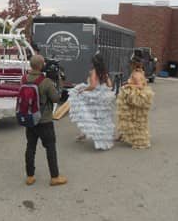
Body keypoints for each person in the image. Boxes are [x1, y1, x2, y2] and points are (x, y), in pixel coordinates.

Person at [23, 55, 67, 186]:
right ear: (42, 66)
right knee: (50, 148)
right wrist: (59, 80)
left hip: (30, 119)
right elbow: (56, 98)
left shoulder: (24, 79)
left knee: (30, 147)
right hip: (44, 121)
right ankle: (55, 177)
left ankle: (30, 176)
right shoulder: (45, 82)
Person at [68, 54, 116, 150]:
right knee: (100, 119)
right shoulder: (104, 72)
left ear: (93, 63)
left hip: (93, 96)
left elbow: (93, 86)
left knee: (87, 115)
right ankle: (97, 137)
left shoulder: (94, 71)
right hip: (102, 97)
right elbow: (110, 85)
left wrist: (83, 90)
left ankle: (85, 134)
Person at [116, 56, 154, 149]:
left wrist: (128, 84)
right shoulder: (140, 72)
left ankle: (138, 140)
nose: (129, 65)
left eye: (130, 64)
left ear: (133, 65)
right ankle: (123, 135)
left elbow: (140, 86)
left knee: (132, 118)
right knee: (131, 118)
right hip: (139, 96)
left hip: (135, 98)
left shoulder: (136, 74)